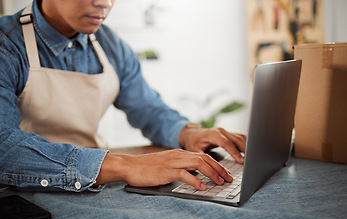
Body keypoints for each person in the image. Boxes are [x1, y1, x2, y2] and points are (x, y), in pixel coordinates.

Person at [0, 0, 246, 193]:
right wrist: (126, 165)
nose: (105, 3)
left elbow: (147, 108)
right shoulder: (6, 45)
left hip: (97, 183)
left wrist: (188, 132)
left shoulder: (111, 45)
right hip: (23, 191)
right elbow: (5, 147)